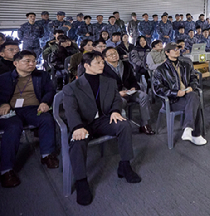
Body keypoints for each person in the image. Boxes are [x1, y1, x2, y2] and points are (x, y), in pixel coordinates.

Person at [63, 51, 141, 205]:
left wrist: (115, 111)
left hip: (103, 120)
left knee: (124, 125)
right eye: (98, 63)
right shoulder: (72, 87)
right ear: (86, 66)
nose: (102, 65)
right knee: (78, 142)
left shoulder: (109, 81)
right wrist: (78, 127)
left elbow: (116, 100)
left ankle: (125, 165)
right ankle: (81, 180)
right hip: (83, 123)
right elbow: (70, 110)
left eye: (102, 62)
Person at [0, 51, 58, 188]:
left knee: (46, 119)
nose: (32, 64)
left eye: (34, 61)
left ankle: (47, 154)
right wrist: (2, 103)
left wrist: (45, 102)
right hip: (12, 111)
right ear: (16, 63)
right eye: (27, 61)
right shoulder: (3, 78)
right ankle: (6, 170)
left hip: (33, 108)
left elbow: (50, 91)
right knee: (13, 127)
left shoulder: (41, 75)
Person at [152, 43, 206, 146]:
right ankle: (195, 134)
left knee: (193, 96)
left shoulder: (185, 65)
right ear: (167, 53)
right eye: (174, 49)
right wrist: (175, 93)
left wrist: (192, 87)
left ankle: (188, 129)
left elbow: (193, 78)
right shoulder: (160, 69)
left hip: (188, 95)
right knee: (195, 101)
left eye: (178, 49)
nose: (177, 51)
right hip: (173, 100)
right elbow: (158, 89)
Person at [102, 47, 154, 135]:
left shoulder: (126, 64)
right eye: (111, 55)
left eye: (115, 53)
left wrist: (134, 87)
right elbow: (103, 88)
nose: (114, 55)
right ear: (105, 58)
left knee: (143, 96)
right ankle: (123, 129)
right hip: (115, 95)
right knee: (121, 102)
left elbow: (132, 79)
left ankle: (144, 124)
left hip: (129, 91)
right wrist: (118, 93)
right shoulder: (103, 69)